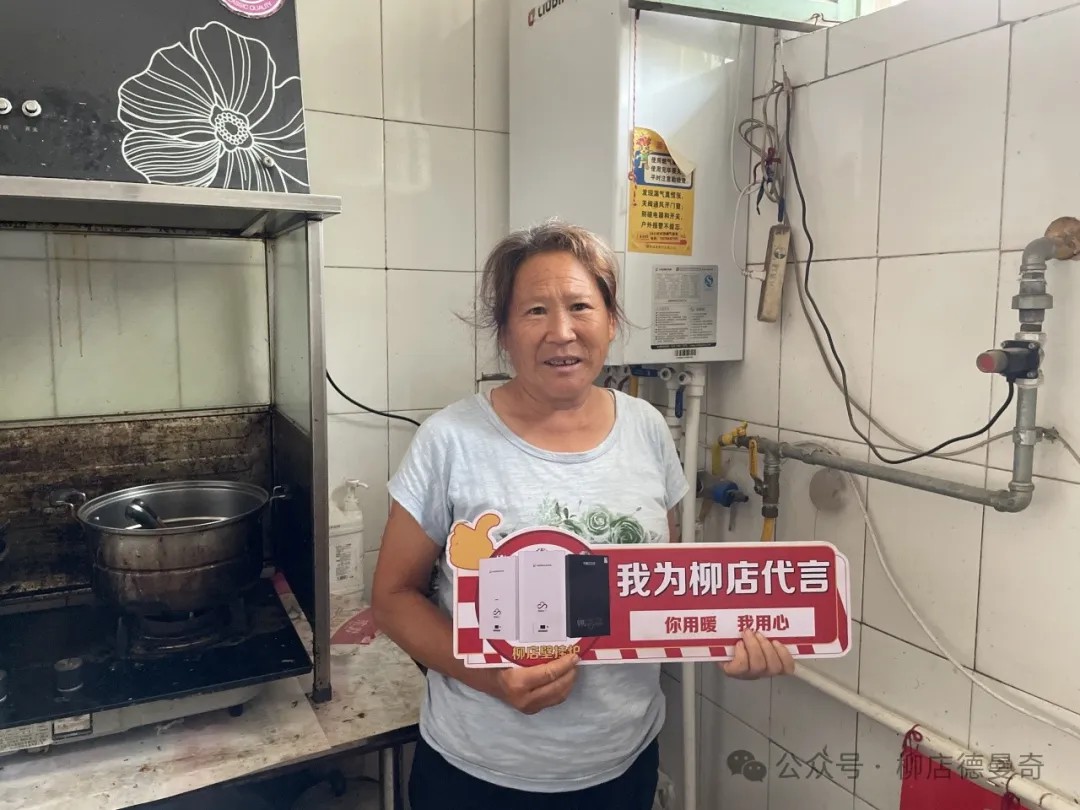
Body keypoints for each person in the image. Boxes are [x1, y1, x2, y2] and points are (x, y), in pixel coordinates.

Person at [371, 220, 795, 810]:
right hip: (481, 773)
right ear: (504, 332)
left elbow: (661, 585)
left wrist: (731, 639)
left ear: (611, 321)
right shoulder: (451, 440)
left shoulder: (647, 429)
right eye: (535, 311)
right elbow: (393, 596)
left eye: (580, 306)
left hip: (622, 763)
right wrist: (495, 680)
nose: (561, 331)